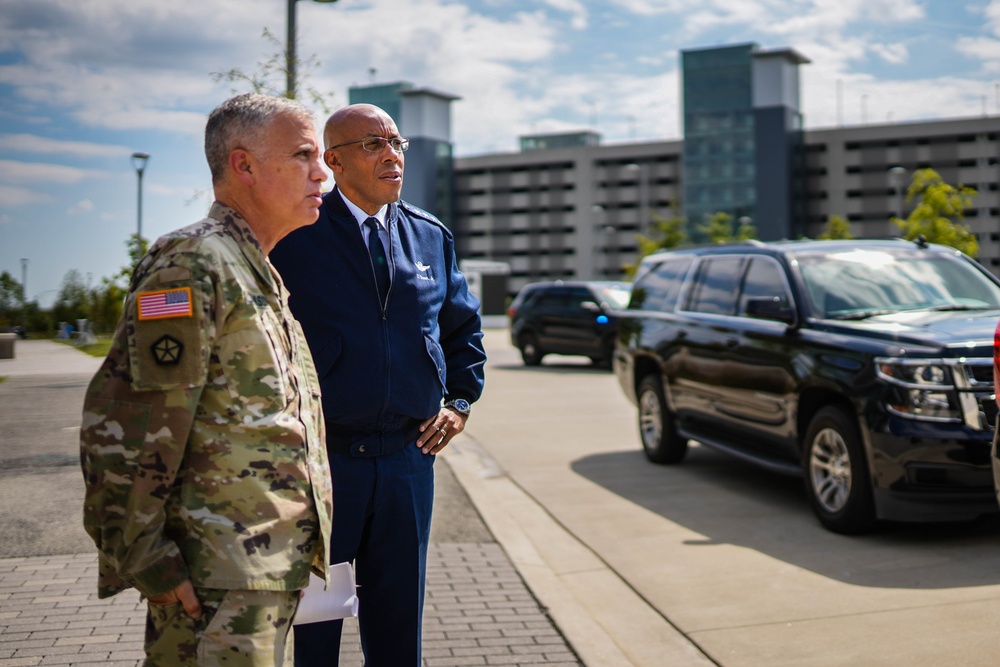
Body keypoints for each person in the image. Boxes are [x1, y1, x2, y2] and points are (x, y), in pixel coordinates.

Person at [79, 92, 333, 666]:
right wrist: (148, 560)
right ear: (243, 165)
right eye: (303, 155)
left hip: (258, 572)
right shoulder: (193, 263)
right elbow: (125, 427)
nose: (322, 172)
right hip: (215, 579)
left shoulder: (257, 271)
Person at [270, 103, 486, 666]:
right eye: (373, 144)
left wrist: (459, 403)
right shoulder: (295, 236)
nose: (392, 155)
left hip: (406, 465)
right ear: (334, 161)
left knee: (397, 626)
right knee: (316, 630)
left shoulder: (429, 236)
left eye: (396, 141)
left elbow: (462, 328)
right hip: (324, 467)